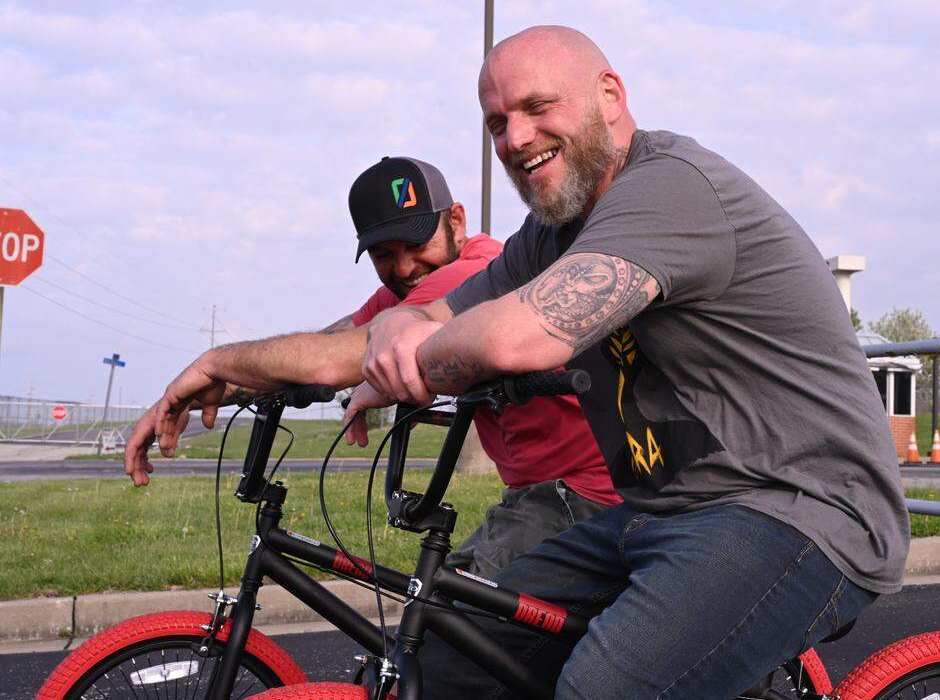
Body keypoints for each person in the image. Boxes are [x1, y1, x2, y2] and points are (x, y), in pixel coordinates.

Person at [130, 25, 908, 697]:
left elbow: (516, 337)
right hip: (662, 513)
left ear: (610, 94)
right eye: (497, 121)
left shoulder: (670, 189)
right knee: (454, 650)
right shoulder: (551, 234)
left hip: (801, 509)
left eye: (539, 107)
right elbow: (403, 326)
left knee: (606, 687)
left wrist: (402, 347)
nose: (515, 137)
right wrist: (222, 364)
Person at [123, 155, 620, 579]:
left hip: (594, 493)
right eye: (384, 254)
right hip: (539, 492)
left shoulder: (475, 273)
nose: (404, 268)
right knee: (447, 614)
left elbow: (330, 362)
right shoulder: (403, 295)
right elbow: (330, 341)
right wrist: (213, 389)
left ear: (457, 222)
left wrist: (212, 361)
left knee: (451, 632)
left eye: (417, 245)